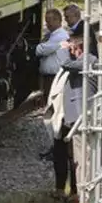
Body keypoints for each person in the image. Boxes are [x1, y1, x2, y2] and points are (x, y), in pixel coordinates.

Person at [48, 36, 98, 203]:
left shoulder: (89, 60)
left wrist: (62, 49)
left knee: (82, 157)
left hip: (81, 116)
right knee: (73, 156)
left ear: (78, 48)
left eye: (71, 50)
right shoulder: (83, 61)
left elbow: (65, 64)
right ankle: (77, 192)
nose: (69, 53)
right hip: (72, 117)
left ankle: (84, 195)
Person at [35, 9, 70, 161]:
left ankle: (56, 147)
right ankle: (55, 146)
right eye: (46, 20)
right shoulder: (53, 36)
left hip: (55, 78)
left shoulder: (60, 36)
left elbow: (40, 50)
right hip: (50, 77)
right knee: (52, 111)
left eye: (49, 20)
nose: (47, 23)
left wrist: (40, 46)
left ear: (58, 20)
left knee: (53, 112)